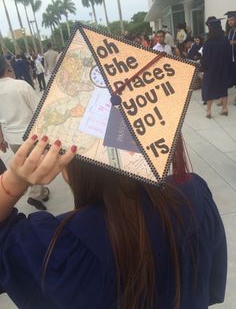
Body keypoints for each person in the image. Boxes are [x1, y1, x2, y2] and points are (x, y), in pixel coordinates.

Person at [0, 132, 227, 309]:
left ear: (70, 164)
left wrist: (14, 180)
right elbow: (209, 287)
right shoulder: (193, 194)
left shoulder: (54, 245)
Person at [0, 56, 50, 210]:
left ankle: (41, 193)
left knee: (28, 166)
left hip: (12, 138)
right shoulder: (20, 85)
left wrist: (1, 139)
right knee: (39, 166)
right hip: (30, 136)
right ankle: (35, 195)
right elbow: (39, 111)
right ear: (7, 68)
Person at [201, 17, 231, 118]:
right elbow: (229, 55)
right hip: (223, 68)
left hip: (211, 69)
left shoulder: (208, 42)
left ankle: (209, 111)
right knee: (223, 88)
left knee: (209, 88)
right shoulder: (225, 40)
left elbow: (205, 58)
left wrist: (203, 69)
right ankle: (225, 108)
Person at [225, 11, 236, 105]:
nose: (230, 22)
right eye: (229, 20)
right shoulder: (230, 30)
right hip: (231, 58)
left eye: (232, 19)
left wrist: (234, 42)